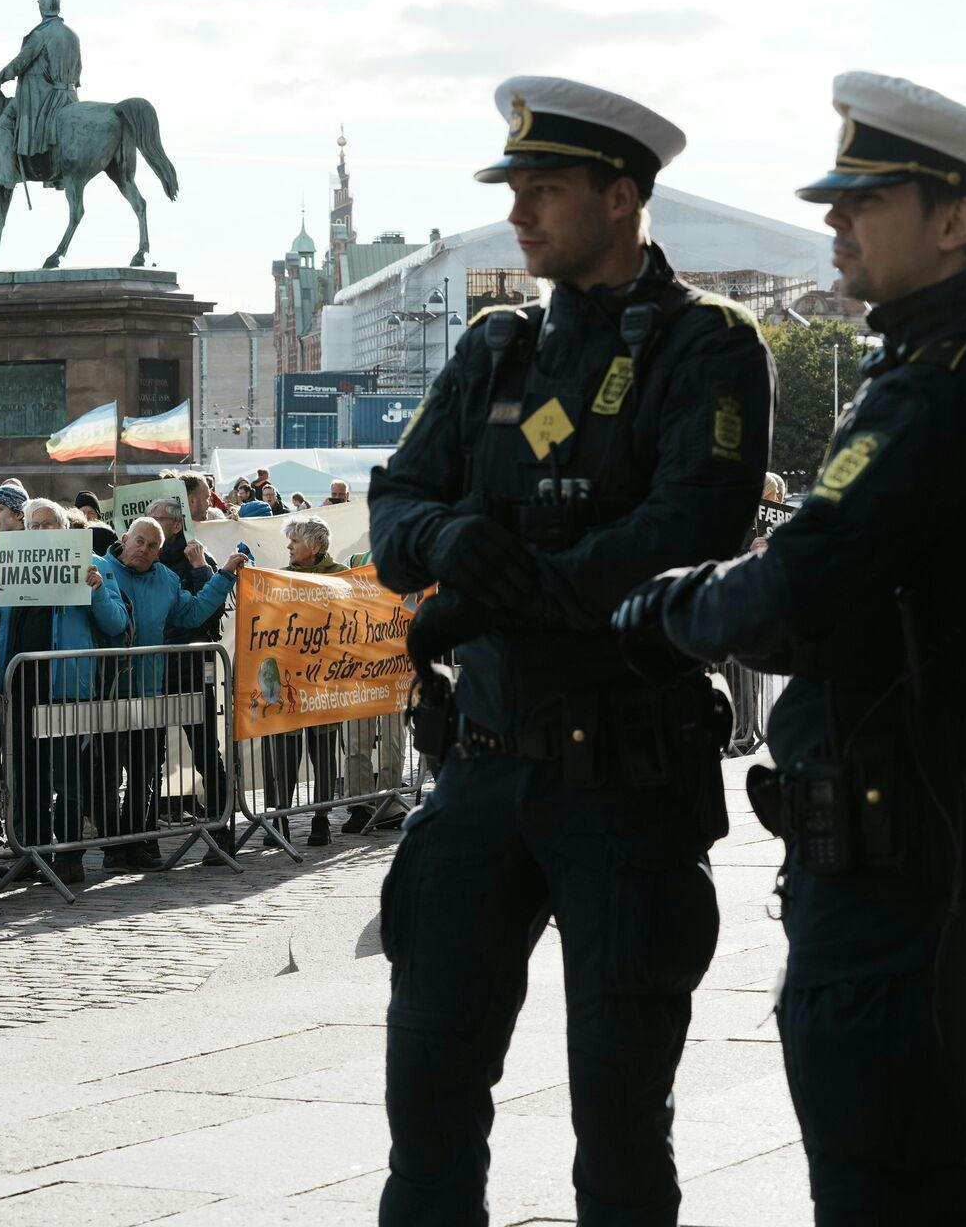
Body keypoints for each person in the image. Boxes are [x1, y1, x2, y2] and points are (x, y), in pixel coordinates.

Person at [614, 73, 966, 1225]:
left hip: (893, 836)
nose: (834, 221)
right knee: (930, 1158)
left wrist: (659, 605)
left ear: (955, 220)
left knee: (884, 1181)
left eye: (865, 200)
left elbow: (801, 580)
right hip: (920, 816)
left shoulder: (941, 388)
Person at [367, 76, 771, 1223]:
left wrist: (501, 591)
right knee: (429, 1109)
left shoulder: (708, 348)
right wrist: (446, 536)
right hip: (484, 766)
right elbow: (394, 502)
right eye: (516, 188)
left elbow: (682, 535)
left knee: (620, 1123)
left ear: (624, 194)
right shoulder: (500, 350)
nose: (522, 212)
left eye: (547, 189)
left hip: (624, 778)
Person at [0, 498, 130, 884]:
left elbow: (116, 624)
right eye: (33, 526)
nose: (40, 532)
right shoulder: (13, 564)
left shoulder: (93, 565)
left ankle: (70, 856)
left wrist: (98, 589)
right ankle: (32, 854)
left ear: (64, 527)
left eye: (47, 524)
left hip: (67, 688)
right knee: (26, 774)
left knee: (68, 776)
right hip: (21, 685)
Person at [103, 517, 246, 869]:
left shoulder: (166, 579)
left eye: (153, 545)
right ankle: (113, 846)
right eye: (140, 541)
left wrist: (224, 574)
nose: (145, 549)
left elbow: (194, 612)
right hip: (105, 691)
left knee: (144, 772)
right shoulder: (100, 570)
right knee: (104, 774)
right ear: (125, 538)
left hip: (151, 688)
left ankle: (134, 845)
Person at [145, 497, 233, 843]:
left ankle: (220, 829)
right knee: (149, 755)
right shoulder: (144, 562)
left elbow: (207, 610)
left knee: (204, 749)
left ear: (176, 524)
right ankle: (145, 836)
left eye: (157, 518)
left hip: (189, 668)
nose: (150, 523)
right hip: (152, 670)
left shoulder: (195, 556)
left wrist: (200, 568)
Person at [261, 516, 347, 846]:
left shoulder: (340, 576)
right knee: (284, 750)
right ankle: (280, 817)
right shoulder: (281, 579)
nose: (288, 547)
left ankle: (321, 819)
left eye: (294, 541)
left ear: (314, 546)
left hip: (326, 680)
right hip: (290, 679)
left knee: (323, 751)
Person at [0, 0, 82, 188]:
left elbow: (21, 62)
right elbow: (79, 70)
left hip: (43, 97)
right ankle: (57, 179)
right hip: (69, 97)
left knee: (3, 124)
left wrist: (2, 76)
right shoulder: (72, 36)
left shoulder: (41, 34)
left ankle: (6, 176)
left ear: (42, 9)